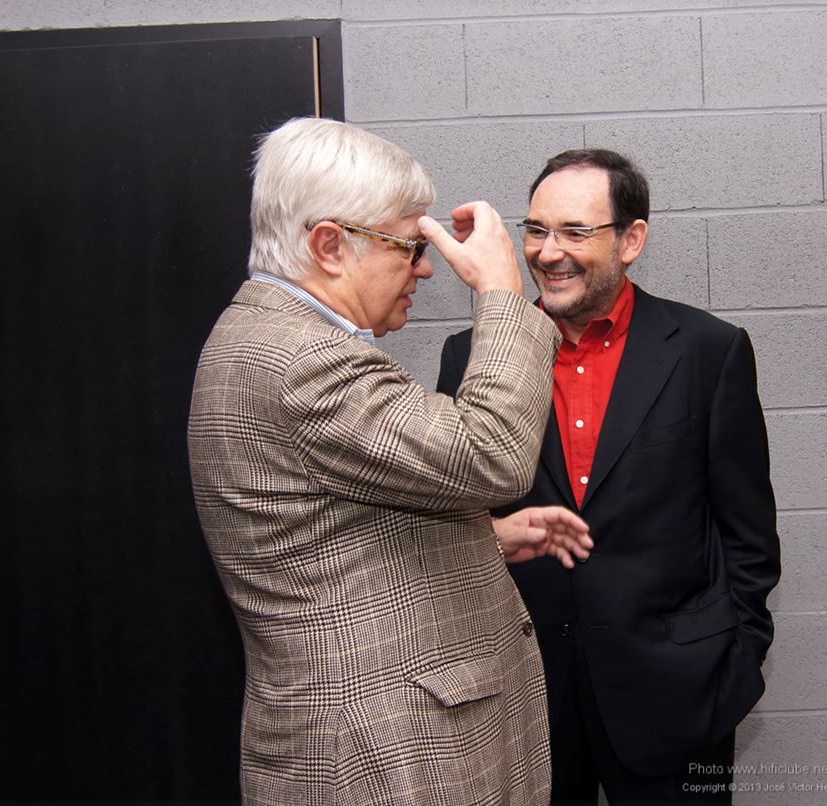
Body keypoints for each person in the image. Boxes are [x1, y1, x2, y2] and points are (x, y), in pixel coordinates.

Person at [187, 118, 593, 806]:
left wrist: (483, 537)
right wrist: (499, 292)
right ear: (329, 245)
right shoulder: (302, 360)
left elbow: (322, 531)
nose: (426, 267)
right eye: (409, 246)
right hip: (382, 760)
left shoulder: (272, 338)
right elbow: (492, 452)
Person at [437, 149, 781, 804]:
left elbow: (749, 540)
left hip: (677, 696)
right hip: (526, 697)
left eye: (574, 232)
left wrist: (732, 660)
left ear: (631, 240)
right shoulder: (473, 355)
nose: (547, 251)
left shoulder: (709, 352)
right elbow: (459, 517)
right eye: (535, 230)